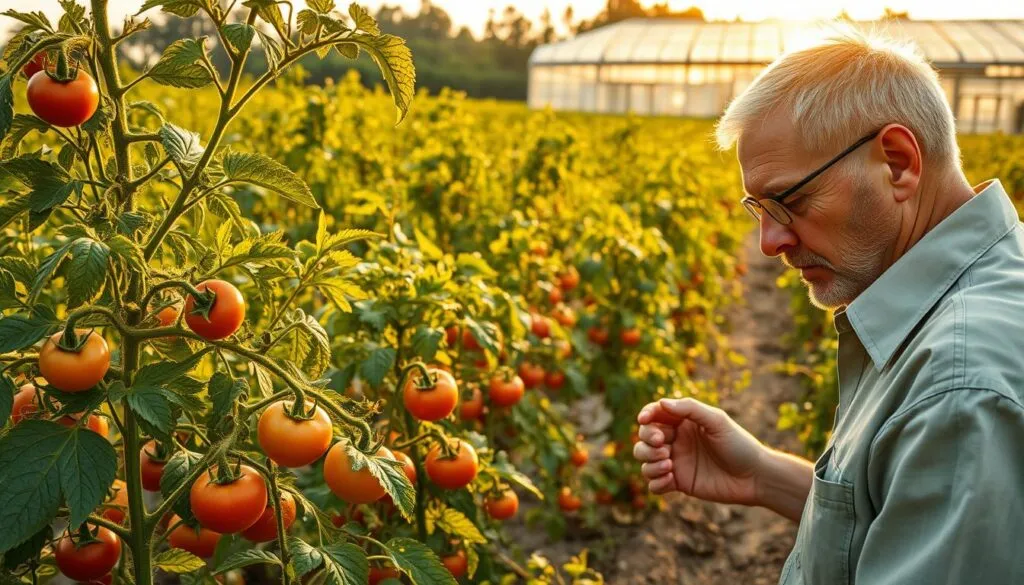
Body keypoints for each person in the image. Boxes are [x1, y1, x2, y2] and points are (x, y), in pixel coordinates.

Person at [633, 24, 1024, 585]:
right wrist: (765, 476)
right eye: (758, 208)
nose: (770, 242)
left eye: (789, 200)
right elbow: (898, 519)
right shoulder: (974, 294)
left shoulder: (960, 389)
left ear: (896, 162)